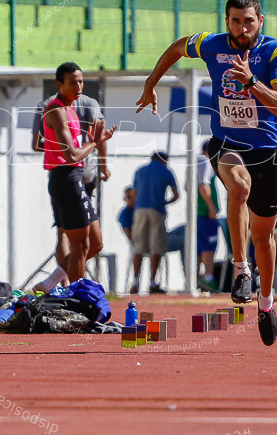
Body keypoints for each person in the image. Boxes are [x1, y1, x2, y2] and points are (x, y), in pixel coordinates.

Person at [136, 0, 277, 346]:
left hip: (266, 151)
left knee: (263, 239)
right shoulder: (211, 44)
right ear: (226, 22)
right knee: (238, 189)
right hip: (227, 144)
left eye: (248, 21)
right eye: (235, 21)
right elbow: (178, 47)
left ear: (260, 21)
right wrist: (151, 82)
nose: (242, 28)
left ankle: (265, 304)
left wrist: (252, 82)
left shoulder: (275, 51)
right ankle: (240, 271)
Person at [31, 81, 110, 292]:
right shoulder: (87, 103)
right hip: (79, 172)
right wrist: (103, 164)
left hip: (64, 174)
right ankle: (70, 292)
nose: (79, 86)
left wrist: (56, 146)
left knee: (69, 237)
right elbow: (98, 136)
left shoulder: (46, 105)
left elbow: (36, 144)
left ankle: (57, 283)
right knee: (82, 244)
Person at [129, 152, 179, 294]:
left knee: (138, 246)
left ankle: (135, 281)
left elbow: (134, 193)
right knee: (155, 247)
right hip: (157, 210)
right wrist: (164, 202)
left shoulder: (140, 170)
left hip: (140, 209)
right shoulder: (166, 171)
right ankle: (152, 281)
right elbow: (176, 194)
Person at [196, 140, 221, 293]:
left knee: (199, 246)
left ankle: (199, 277)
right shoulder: (205, 161)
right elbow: (203, 185)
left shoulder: (195, 162)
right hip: (205, 213)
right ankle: (209, 277)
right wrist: (211, 205)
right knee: (209, 244)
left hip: (198, 213)